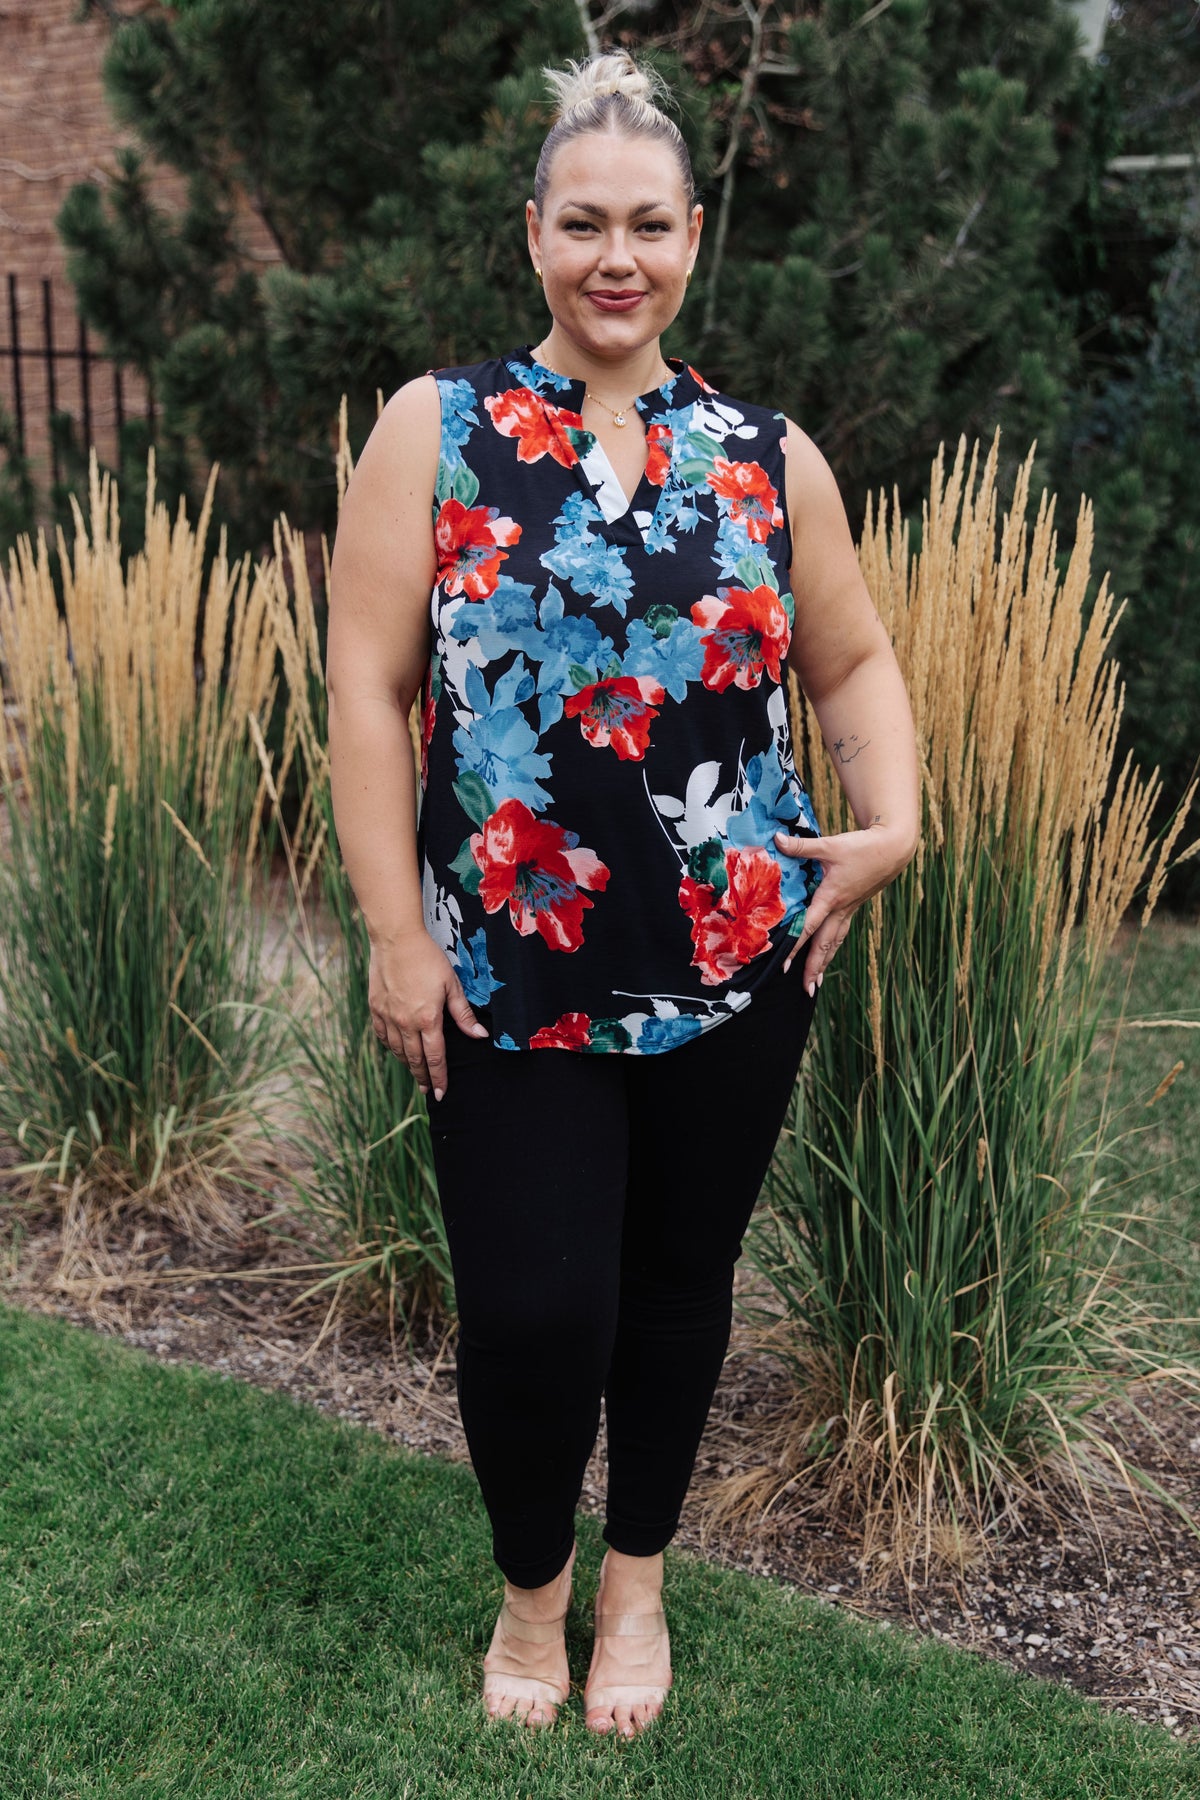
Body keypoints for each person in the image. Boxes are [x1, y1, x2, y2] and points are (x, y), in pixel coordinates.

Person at [326, 50, 920, 1739]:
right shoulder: (436, 432)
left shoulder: (767, 456)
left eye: (648, 225)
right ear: (532, 235)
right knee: (535, 1310)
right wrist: (394, 935)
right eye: (583, 223)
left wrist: (894, 820)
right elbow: (368, 686)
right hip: (503, 973)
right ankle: (533, 1594)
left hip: (736, 961)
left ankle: (637, 1584)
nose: (617, 257)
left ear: (693, 238)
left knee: (674, 1291)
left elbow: (852, 661)